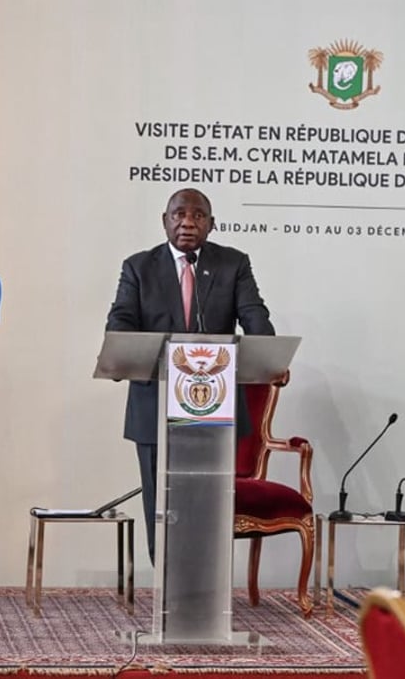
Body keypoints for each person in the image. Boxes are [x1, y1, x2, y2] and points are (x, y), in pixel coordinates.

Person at [106, 188, 275, 562]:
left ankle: (205, 591)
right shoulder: (138, 267)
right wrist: (122, 348)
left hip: (215, 408)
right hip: (155, 405)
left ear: (211, 224)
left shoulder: (233, 264)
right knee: (160, 499)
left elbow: (255, 316)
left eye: (198, 215)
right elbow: (121, 320)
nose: (187, 222)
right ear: (165, 221)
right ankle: (166, 585)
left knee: (207, 502)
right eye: (179, 214)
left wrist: (266, 353)